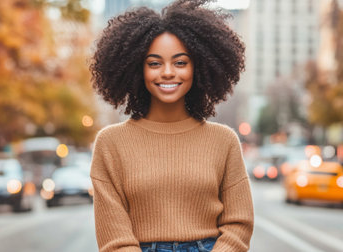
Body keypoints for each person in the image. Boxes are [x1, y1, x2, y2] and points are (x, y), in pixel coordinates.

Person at [89, 0, 254, 251]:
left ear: (198, 67)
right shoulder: (110, 143)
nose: (167, 72)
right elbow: (114, 239)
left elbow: (239, 224)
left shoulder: (224, 141)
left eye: (180, 62)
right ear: (137, 69)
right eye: (154, 63)